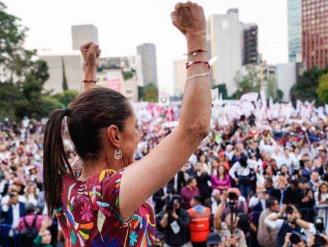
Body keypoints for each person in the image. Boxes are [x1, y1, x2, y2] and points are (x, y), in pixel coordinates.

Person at [42, 2, 211, 246]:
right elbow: (194, 128)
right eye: (135, 128)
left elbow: (89, 121)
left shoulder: (66, 182)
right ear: (115, 136)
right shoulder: (109, 192)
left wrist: (89, 73)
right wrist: (197, 39)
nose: (140, 135)